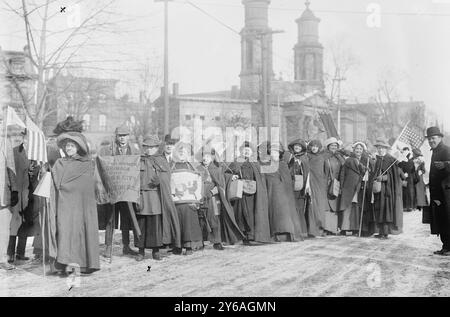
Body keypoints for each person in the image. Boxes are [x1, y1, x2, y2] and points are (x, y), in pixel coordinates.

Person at [53, 132, 100, 274]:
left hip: (83, 206)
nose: (69, 148)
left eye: (72, 145)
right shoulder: (59, 163)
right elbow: (55, 183)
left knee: (82, 232)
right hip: (65, 205)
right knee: (66, 232)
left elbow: (91, 184)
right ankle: (65, 264)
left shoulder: (87, 163)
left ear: (78, 148)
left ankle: (84, 265)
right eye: (67, 145)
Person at [98, 124, 140, 257]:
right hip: (113, 189)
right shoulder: (108, 149)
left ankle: (126, 246)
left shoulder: (134, 150)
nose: (122, 138)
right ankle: (108, 247)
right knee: (111, 218)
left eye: (125, 136)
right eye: (120, 136)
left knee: (126, 218)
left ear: (129, 136)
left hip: (127, 189)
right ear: (116, 136)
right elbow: (102, 165)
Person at [196, 146, 244, 249]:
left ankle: (216, 241)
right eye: (204, 156)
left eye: (208, 156)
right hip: (200, 197)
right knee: (200, 219)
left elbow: (221, 184)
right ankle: (200, 242)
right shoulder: (197, 169)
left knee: (214, 219)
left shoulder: (216, 169)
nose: (205, 158)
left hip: (213, 198)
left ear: (212, 157)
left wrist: (213, 192)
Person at [260, 142, 307, 242]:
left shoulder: (283, 165)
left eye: (277, 152)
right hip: (272, 195)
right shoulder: (265, 164)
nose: (275, 154)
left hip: (286, 197)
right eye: (272, 152)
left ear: (280, 154)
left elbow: (288, 180)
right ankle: (276, 235)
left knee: (287, 215)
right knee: (275, 215)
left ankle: (288, 234)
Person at [227, 141, 271, 244]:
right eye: (244, 150)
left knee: (252, 214)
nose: (246, 151)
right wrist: (232, 177)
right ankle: (243, 236)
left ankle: (252, 235)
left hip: (253, 194)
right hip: (240, 194)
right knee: (241, 214)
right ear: (241, 151)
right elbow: (227, 173)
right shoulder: (236, 162)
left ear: (252, 151)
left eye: (249, 150)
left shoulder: (255, 163)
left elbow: (261, 179)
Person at [8, 131, 40, 263]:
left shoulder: (34, 154)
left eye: (25, 137)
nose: (24, 140)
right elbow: (11, 172)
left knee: (26, 223)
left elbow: (34, 174)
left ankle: (20, 252)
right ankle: (10, 253)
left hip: (30, 193)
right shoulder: (14, 152)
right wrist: (14, 191)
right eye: (21, 137)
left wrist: (34, 171)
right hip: (18, 194)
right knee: (15, 223)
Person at [135, 135, 164, 261]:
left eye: (151, 147)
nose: (149, 150)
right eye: (146, 147)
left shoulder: (161, 160)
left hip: (154, 196)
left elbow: (167, 178)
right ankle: (140, 251)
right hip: (141, 196)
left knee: (154, 224)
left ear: (157, 148)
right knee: (141, 224)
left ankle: (155, 251)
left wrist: (161, 180)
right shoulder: (138, 160)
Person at [171, 143, 203, 255]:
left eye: (184, 152)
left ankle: (189, 246)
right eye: (179, 152)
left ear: (188, 154)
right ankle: (177, 246)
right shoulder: (171, 167)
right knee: (176, 224)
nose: (181, 154)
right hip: (176, 202)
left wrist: (198, 199)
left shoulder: (193, 166)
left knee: (189, 224)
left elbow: (199, 182)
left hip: (190, 202)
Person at [152, 135, 182, 251]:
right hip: (163, 192)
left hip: (178, 193)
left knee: (177, 217)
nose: (169, 146)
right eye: (167, 144)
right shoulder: (158, 159)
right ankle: (166, 241)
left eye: (172, 144)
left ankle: (178, 242)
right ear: (163, 145)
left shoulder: (179, 159)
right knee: (164, 216)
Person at [338, 141, 374, 236]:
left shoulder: (366, 160)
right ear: (353, 150)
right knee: (347, 206)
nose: (358, 150)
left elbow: (370, 172)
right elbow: (342, 173)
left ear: (363, 150)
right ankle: (345, 228)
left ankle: (355, 228)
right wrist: (341, 186)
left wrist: (367, 173)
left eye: (360, 149)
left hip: (360, 187)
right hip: (348, 186)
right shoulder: (348, 160)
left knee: (357, 207)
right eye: (357, 149)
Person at [426, 127, 450, 256]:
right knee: (441, 219)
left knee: (446, 219)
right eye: (429, 139)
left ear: (440, 138)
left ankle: (448, 247)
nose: (431, 141)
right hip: (437, 193)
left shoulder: (446, 150)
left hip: (446, 193)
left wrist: (446, 164)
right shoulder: (435, 151)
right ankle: (446, 246)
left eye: (433, 138)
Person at [371, 138, 401, 239]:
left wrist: (383, 178)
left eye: (382, 148)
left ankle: (385, 232)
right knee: (378, 209)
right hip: (377, 189)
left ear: (386, 149)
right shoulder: (377, 159)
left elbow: (394, 176)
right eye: (379, 148)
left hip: (387, 190)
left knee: (386, 210)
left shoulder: (391, 160)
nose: (380, 150)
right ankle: (380, 231)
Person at [0, 138, 18, 270]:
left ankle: (2, 259)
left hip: (3, 194)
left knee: (4, 229)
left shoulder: (4, 142)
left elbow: (11, 168)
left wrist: (14, 190)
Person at [287, 139, 310, 239]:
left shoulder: (304, 159)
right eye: (296, 146)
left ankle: (301, 230)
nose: (297, 148)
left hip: (300, 188)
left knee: (300, 209)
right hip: (289, 186)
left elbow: (307, 173)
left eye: (299, 146)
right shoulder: (288, 157)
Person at [305, 139, 328, 237]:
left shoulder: (322, 158)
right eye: (312, 146)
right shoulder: (307, 157)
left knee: (320, 206)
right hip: (310, 184)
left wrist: (324, 183)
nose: (314, 148)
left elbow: (326, 172)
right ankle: (312, 230)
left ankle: (321, 228)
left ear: (319, 147)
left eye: (316, 146)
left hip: (320, 185)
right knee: (311, 206)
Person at [323, 137, 345, 234]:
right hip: (327, 184)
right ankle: (327, 228)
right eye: (332, 145)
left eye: (335, 146)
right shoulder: (324, 156)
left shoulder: (339, 157)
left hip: (336, 184)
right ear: (328, 146)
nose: (334, 147)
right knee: (327, 206)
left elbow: (344, 167)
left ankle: (334, 227)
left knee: (335, 206)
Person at [398, 147, 415, 212]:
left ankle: (410, 206)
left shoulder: (411, 159)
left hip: (409, 177)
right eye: (404, 150)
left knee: (409, 192)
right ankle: (405, 206)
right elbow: (399, 166)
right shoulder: (402, 159)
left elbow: (413, 169)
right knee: (404, 191)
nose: (405, 151)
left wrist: (408, 173)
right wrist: (403, 173)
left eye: (406, 150)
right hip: (403, 177)